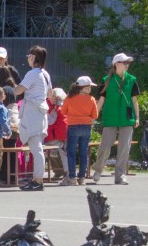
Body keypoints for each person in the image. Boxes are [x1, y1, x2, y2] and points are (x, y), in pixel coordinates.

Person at [90, 52, 141, 186]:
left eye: (128, 62)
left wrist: (137, 117)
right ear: (117, 64)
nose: (127, 65)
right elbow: (101, 100)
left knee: (124, 148)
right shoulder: (106, 80)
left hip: (127, 118)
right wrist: (94, 116)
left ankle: (120, 176)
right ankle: (98, 170)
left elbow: (134, 100)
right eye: (125, 62)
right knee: (105, 146)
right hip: (110, 117)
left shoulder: (132, 80)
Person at [14, 45, 54, 191]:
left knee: (36, 148)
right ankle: (37, 179)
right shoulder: (45, 74)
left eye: (29, 56)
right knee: (37, 147)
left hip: (32, 112)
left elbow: (19, 90)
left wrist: (10, 88)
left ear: (33, 57)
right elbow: (50, 94)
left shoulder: (32, 73)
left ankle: (38, 180)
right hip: (41, 112)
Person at [60, 76, 99, 186]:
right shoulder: (91, 99)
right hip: (86, 127)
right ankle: (82, 178)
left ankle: (72, 178)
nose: (90, 89)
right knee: (83, 152)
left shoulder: (69, 98)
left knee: (71, 152)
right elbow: (95, 115)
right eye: (88, 87)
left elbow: (63, 111)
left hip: (73, 126)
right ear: (83, 88)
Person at [45, 87, 69, 179]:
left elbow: (50, 121)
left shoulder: (57, 107)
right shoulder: (62, 105)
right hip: (59, 135)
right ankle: (62, 172)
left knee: (59, 152)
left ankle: (65, 172)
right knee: (60, 153)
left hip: (56, 136)